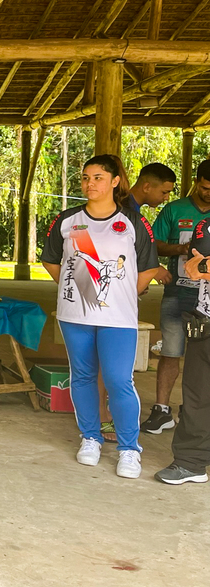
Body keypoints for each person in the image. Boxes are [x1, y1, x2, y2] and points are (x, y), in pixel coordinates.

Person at [41, 154, 159, 479]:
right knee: (81, 376)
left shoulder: (133, 221)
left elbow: (148, 268)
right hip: (74, 316)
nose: (90, 184)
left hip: (118, 318)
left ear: (115, 181)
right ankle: (90, 437)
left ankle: (129, 449)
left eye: (98, 178)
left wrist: (121, 295)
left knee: (120, 380)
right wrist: (76, 287)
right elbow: (52, 261)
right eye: (86, 178)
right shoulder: (67, 220)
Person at [98, 162, 174, 440]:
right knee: (108, 363)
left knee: (112, 363)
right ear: (146, 186)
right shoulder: (125, 211)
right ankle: (102, 417)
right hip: (113, 297)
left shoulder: (135, 211)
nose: (166, 198)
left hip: (121, 293)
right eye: (164, 192)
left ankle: (104, 414)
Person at [142, 160, 210, 435]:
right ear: (197, 181)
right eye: (206, 187)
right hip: (177, 293)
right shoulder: (174, 209)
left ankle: (195, 413)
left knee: (202, 358)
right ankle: (161, 410)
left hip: (207, 301)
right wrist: (181, 248)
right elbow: (153, 242)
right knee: (171, 351)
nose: (209, 193)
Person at [156, 218, 210, 485]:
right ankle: (190, 463)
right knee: (196, 397)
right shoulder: (207, 225)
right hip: (206, 324)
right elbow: (196, 263)